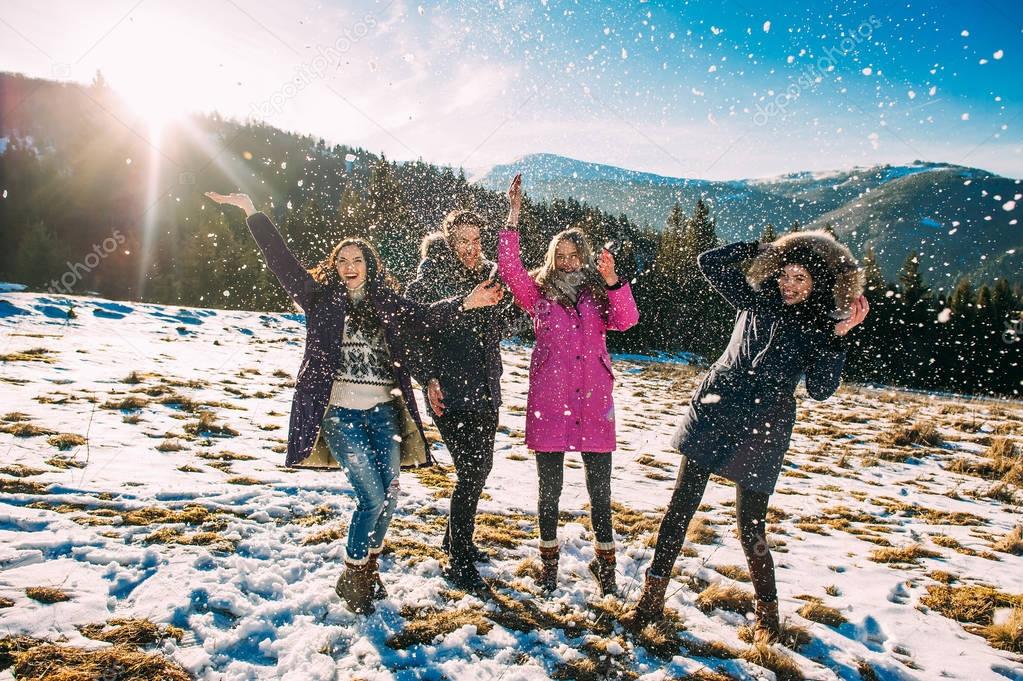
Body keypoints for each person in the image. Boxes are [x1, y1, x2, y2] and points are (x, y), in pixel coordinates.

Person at [204, 192, 502, 614]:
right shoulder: (319, 299)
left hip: (384, 414)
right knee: (371, 498)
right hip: (341, 415)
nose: (349, 267)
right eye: (342, 260)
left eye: (357, 260)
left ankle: (369, 571)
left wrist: (466, 301)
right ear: (334, 266)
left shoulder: (386, 303)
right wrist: (253, 212)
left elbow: (425, 317)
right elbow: (281, 263)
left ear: (369, 265)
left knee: (391, 495)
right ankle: (354, 575)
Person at [622, 230, 869, 641]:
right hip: (717, 405)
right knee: (680, 507)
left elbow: (823, 390)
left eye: (800, 279)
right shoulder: (754, 298)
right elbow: (709, 261)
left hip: (765, 423)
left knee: (750, 527)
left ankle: (767, 619)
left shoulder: (821, 327)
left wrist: (839, 336)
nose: (789, 285)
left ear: (818, 285)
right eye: (785, 275)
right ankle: (649, 601)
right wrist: (760, 248)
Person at [498, 174, 639, 596]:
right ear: (552, 256)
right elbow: (509, 268)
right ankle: (548, 566)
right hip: (550, 400)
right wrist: (513, 216)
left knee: (600, 491)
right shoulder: (537, 294)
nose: (567, 261)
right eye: (560, 255)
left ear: (585, 257)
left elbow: (628, 320)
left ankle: (606, 568)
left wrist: (614, 281)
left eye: (574, 255)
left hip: (594, 401)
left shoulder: (600, 295)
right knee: (550, 491)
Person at [405, 211, 518, 589]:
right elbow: (411, 331)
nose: (471, 250)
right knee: (470, 472)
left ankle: (456, 539)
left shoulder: (488, 274)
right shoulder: (430, 277)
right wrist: (428, 377)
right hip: (447, 392)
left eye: (476, 241)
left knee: (480, 469)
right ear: (449, 243)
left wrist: (512, 219)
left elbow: (505, 311)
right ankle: (457, 560)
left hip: (485, 389)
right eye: (463, 242)